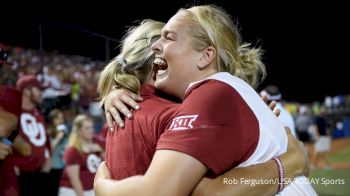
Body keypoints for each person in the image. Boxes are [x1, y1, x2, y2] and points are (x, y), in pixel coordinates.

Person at [95, 14, 312, 196]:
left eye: (169, 39)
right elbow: (209, 192)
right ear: (157, 62)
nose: (160, 45)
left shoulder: (122, 113)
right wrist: (288, 163)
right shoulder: (175, 115)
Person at [10, 75, 52, 196]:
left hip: (39, 174)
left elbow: (43, 139)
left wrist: (47, 156)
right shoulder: (12, 112)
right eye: (38, 89)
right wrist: (9, 164)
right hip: (19, 176)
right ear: (27, 91)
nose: (41, 93)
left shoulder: (37, 113)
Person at [59, 114, 104, 196]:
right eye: (87, 128)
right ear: (79, 130)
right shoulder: (73, 149)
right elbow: (74, 179)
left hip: (91, 189)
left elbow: (108, 162)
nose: (91, 130)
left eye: (92, 127)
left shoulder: (96, 141)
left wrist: (101, 150)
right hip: (72, 191)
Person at [48, 108, 70, 196]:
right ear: (52, 120)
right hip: (52, 167)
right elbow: (49, 150)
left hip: (64, 166)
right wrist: (58, 137)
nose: (61, 121)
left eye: (61, 118)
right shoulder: (48, 133)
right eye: (58, 118)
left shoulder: (65, 132)